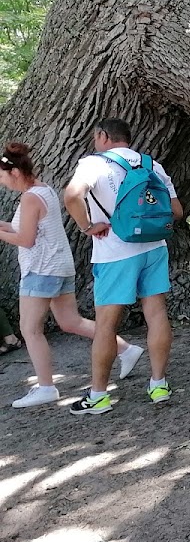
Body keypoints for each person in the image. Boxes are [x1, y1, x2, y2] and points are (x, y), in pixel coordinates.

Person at [0, 142, 145, 408]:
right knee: (70, 321)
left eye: (1, 175)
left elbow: (26, 238)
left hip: (41, 269)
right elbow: (24, 227)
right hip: (58, 266)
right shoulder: (42, 190)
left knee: (29, 329)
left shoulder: (31, 197)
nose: (1, 181)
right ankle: (126, 349)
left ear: (15, 173)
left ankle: (45, 387)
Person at [63, 119, 183, 414]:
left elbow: (71, 195)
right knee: (156, 314)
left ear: (103, 136)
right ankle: (159, 385)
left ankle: (98, 396)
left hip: (115, 253)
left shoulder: (93, 164)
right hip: (154, 248)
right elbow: (176, 211)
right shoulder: (150, 164)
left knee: (106, 324)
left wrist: (87, 226)